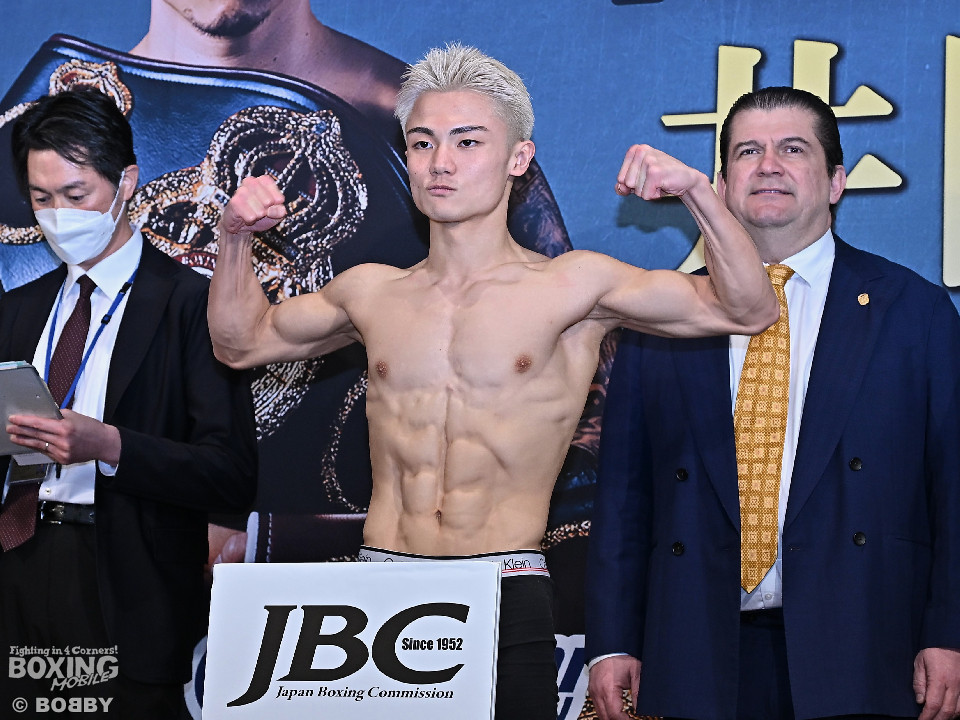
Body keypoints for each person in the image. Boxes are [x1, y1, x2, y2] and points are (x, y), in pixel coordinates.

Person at [208, 43, 777, 718]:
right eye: (422, 143)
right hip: (378, 588)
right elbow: (240, 343)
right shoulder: (371, 293)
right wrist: (235, 235)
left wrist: (697, 193)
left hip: (502, 585)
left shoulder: (572, 286)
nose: (440, 162)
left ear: (518, 158)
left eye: (467, 141)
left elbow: (747, 308)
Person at [585, 86, 960, 720]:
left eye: (792, 149)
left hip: (866, 641)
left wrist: (949, 630)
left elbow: (952, 485)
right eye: (747, 152)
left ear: (836, 181)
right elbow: (623, 491)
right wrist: (613, 639)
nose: (767, 166)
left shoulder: (912, 311)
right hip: (698, 646)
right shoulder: (665, 314)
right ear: (721, 186)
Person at [0, 87, 257, 717]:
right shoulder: (18, 309)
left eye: (76, 194)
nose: (58, 214)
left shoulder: (190, 305)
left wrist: (110, 446)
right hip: (18, 561)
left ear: (126, 182)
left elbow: (229, 471)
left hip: (127, 580)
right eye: (41, 199)